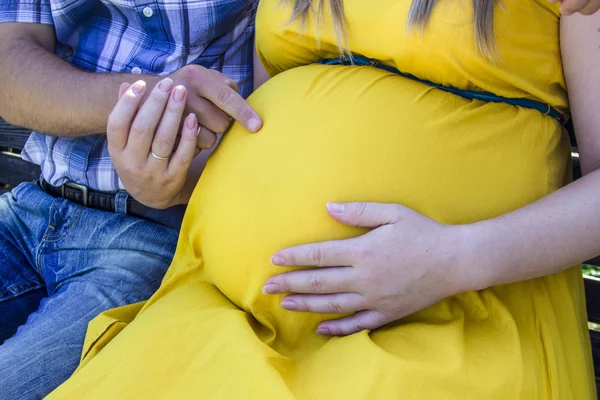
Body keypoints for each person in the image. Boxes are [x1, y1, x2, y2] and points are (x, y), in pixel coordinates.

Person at [48, 0, 600, 398]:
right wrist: (158, 178)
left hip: (453, 315)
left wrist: (454, 258)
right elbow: (269, 129)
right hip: (227, 315)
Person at [0, 1, 261, 399]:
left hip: (151, 236)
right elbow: (9, 67)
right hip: (31, 204)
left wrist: (179, 172)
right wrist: (149, 99)